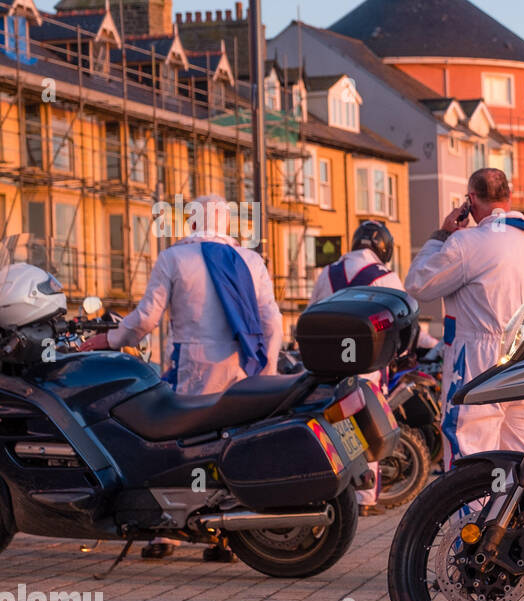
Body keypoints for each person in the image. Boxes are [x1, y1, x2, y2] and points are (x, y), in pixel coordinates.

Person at [80, 194, 282, 560]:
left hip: (194, 364)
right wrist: (268, 372)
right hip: (243, 366)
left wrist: (108, 339)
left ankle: (168, 533)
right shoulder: (251, 261)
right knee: (229, 444)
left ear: (190, 223)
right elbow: (272, 322)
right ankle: (225, 534)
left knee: (183, 446)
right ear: (227, 223)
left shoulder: (174, 257)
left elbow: (145, 320)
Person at [404, 168, 524, 467]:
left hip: (479, 360)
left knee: (472, 453)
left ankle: (473, 515)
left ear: (470, 201)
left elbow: (418, 283)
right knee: (523, 456)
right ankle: (519, 513)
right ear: (509, 197)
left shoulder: (467, 243)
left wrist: (441, 235)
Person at [309, 220, 407, 516]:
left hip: (334, 366)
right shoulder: (386, 277)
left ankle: (341, 494)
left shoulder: (326, 274)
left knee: (339, 428)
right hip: (369, 366)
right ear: (385, 248)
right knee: (370, 427)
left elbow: (312, 313)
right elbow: (401, 323)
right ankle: (365, 497)